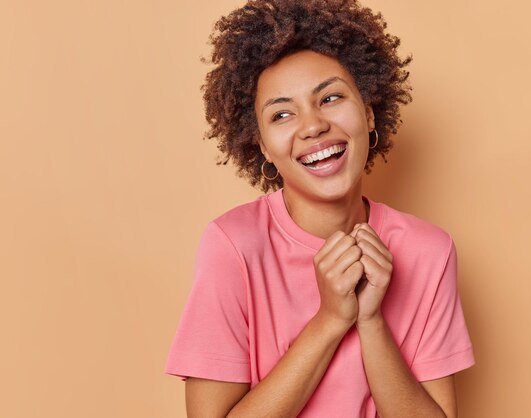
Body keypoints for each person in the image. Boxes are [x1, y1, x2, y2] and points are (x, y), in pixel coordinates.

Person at [165, 1, 475, 416]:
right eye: (282, 114)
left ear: (368, 114)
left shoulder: (428, 251)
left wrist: (371, 322)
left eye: (329, 98)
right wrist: (330, 319)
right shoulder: (233, 245)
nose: (312, 126)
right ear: (262, 146)